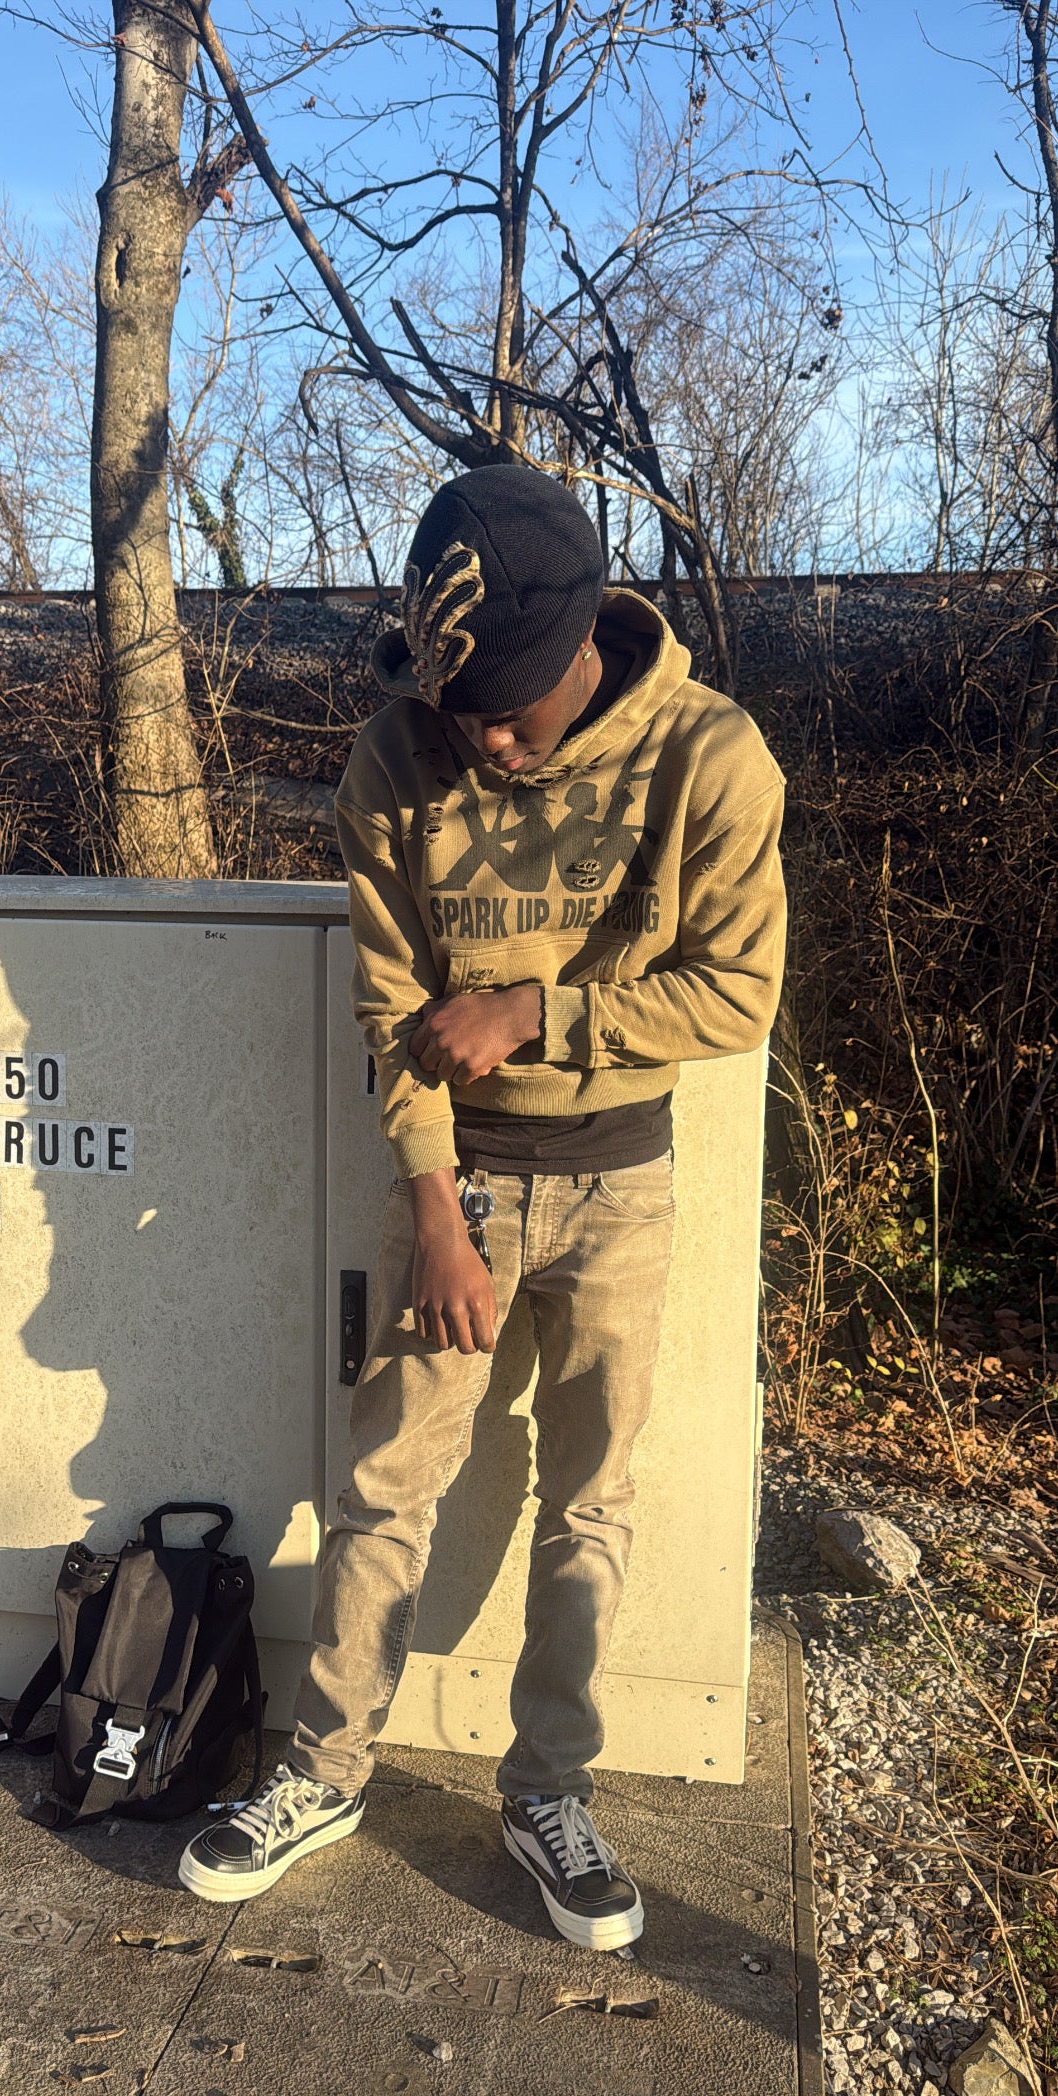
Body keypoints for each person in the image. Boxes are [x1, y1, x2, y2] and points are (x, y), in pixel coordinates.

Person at [179, 465, 786, 1951]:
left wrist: (534, 1011)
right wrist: (436, 1213)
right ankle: (324, 1771)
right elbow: (391, 1008)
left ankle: (548, 1790)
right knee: (386, 1486)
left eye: (507, 714)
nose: (483, 742)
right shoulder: (396, 757)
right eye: (459, 712)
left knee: (592, 1500)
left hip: (622, 1184)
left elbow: (739, 992)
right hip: (455, 1182)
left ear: (584, 644)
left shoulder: (710, 757)